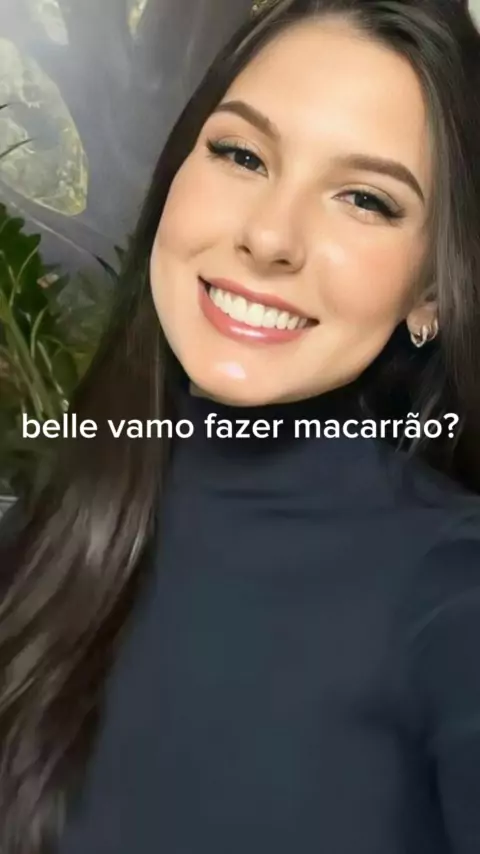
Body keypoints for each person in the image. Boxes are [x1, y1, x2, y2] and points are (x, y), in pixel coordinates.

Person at [2, 0, 480, 851]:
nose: (269, 236)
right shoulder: (47, 535)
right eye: (242, 154)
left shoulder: (455, 595)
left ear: (432, 294)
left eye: (365, 199)